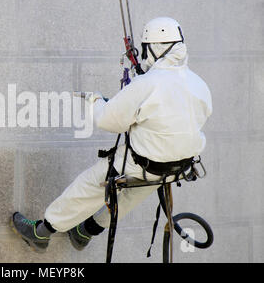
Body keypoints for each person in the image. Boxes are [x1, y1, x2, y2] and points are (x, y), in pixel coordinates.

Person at [11, 17, 213, 253]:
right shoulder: (199, 84)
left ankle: (41, 232)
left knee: (89, 186)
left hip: (144, 163)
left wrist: (95, 100)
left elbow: (109, 121)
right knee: (133, 193)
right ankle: (86, 231)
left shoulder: (147, 84)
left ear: (154, 48)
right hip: (177, 167)